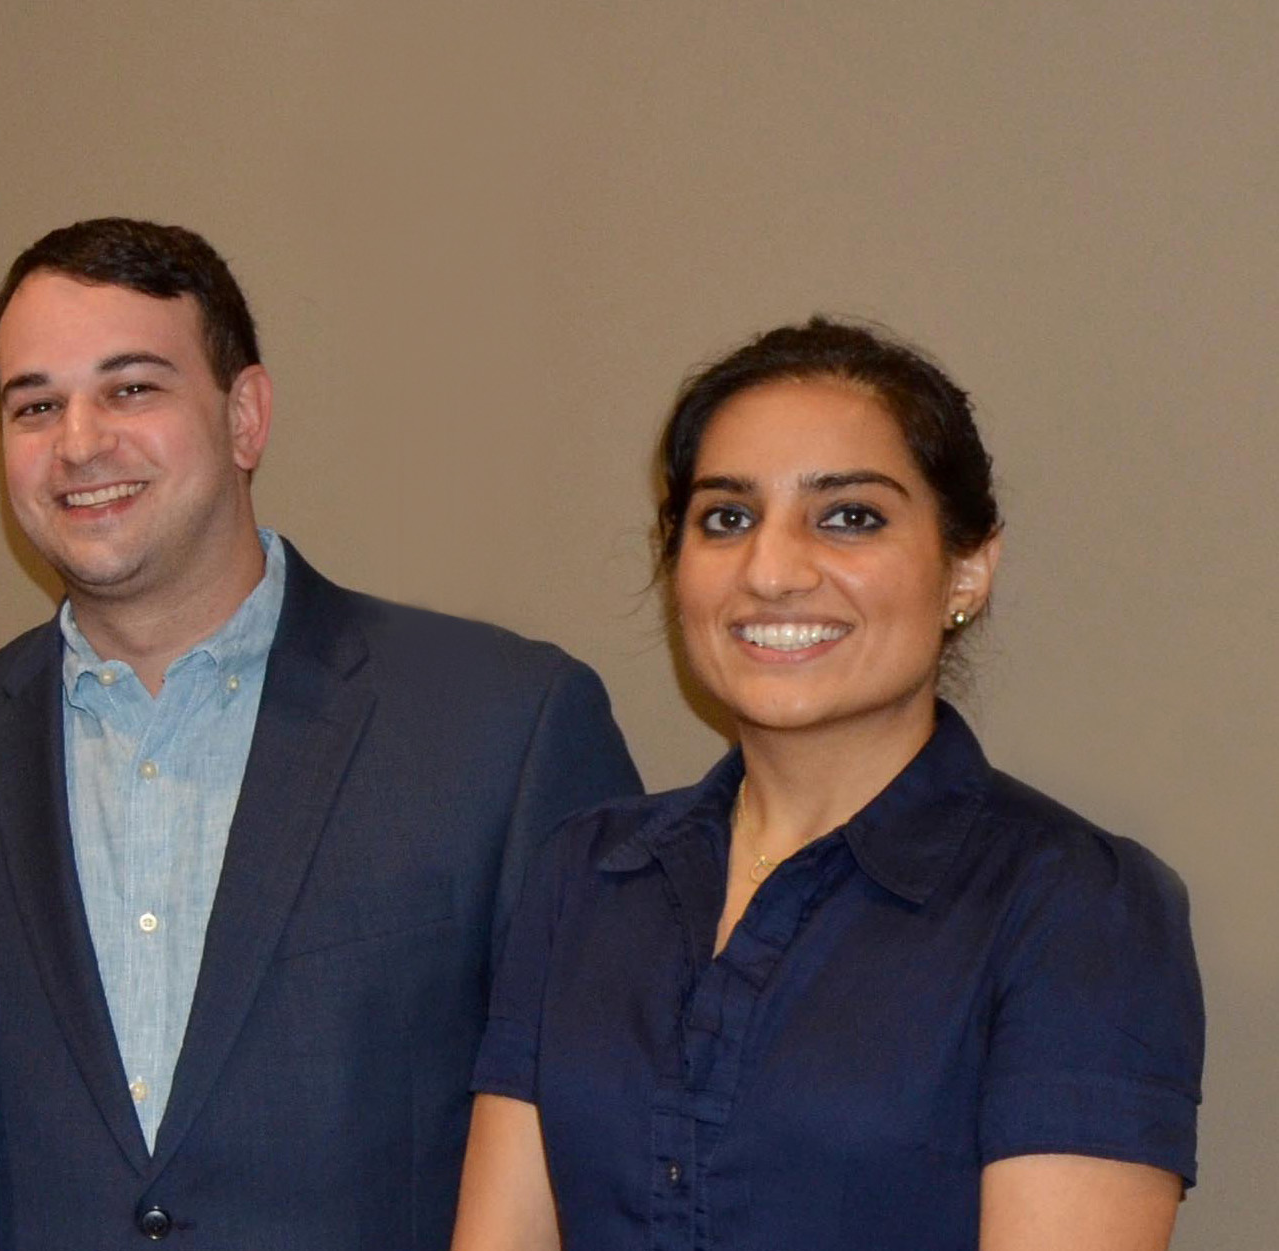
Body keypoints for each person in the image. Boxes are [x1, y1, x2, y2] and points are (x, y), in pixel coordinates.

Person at [0, 218, 643, 1248]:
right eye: (35, 404)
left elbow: (614, 1138)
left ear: (245, 417)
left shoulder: (504, 727)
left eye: (132, 388)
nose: (80, 441)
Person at [452, 319, 1201, 1251]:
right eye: (726, 517)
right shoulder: (585, 875)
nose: (771, 571)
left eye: (849, 515)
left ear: (966, 568)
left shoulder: (1078, 908)